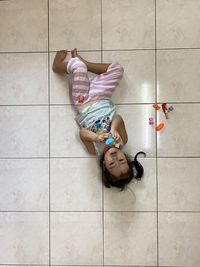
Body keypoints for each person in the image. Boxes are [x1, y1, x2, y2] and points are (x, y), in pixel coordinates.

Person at [52, 49, 145, 190]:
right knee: (117, 70)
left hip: (83, 102)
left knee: (77, 66)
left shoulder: (95, 151)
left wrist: (95, 138)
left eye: (112, 164)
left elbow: (82, 133)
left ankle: (57, 66)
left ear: (104, 165)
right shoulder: (122, 140)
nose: (114, 157)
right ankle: (87, 64)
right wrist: (114, 128)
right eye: (121, 160)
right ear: (126, 158)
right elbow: (118, 118)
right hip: (102, 97)